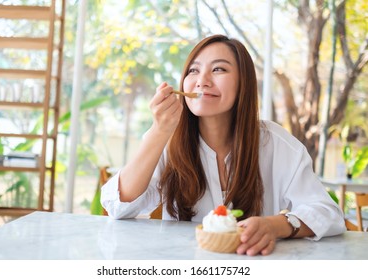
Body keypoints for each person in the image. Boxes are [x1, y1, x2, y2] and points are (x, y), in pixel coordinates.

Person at [101, 34, 346, 255]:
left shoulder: (275, 143)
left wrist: (276, 225)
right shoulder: (166, 140)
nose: (202, 81)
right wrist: (159, 131)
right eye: (193, 71)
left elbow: (329, 214)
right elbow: (117, 207)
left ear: (243, 84)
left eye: (218, 69)